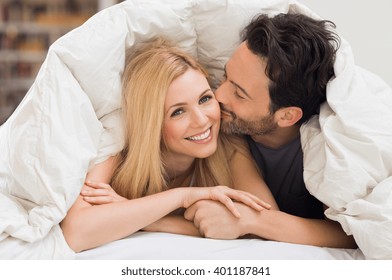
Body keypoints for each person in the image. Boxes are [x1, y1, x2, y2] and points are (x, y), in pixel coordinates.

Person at [60, 38, 277, 253]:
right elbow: (76, 233)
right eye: (178, 112)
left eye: (204, 99)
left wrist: (150, 220)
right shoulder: (116, 150)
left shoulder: (229, 148)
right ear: (152, 124)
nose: (202, 120)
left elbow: (267, 224)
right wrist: (182, 197)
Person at [184, 13, 357, 248]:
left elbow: (350, 234)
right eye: (226, 76)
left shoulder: (327, 148)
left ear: (287, 116)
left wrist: (252, 221)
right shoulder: (228, 134)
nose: (218, 95)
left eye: (239, 93)